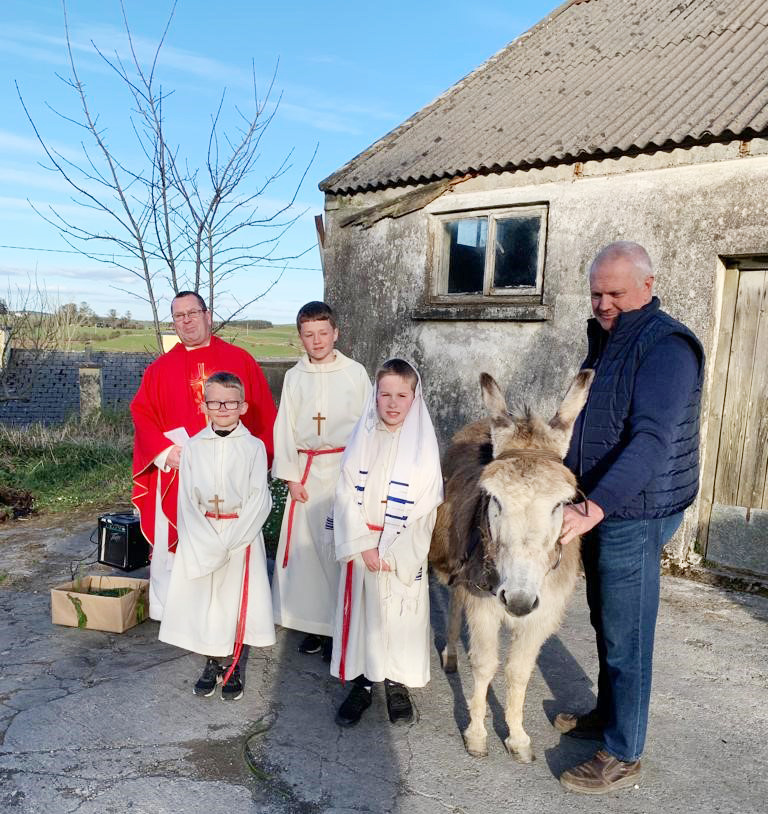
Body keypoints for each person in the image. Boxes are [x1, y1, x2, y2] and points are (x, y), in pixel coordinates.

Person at [557, 241, 704, 794]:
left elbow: (650, 442)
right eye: (596, 292)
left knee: (628, 633)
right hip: (602, 505)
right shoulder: (608, 339)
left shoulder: (665, 346)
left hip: (634, 510)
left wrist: (595, 505)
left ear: (647, 285)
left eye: (615, 292)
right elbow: (588, 423)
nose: (603, 302)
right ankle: (608, 715)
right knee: (604, 619)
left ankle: (623, 751)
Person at [131, 291, 276, 621]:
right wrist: (165, 452)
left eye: (193, 313)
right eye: (179, 316)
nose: (187, 321)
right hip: (177, 470)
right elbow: (141, 412)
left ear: (208, 316)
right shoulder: (158, 369)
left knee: (230, 542)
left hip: (230, 474)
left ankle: (231, 612)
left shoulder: (241, 360)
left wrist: (257, 461)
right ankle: (176, 613)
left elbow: (264, 415)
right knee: (175, 543)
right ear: (174, 323)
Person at [329, 359, 443, 727]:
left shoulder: (423, 448)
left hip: (399, 549)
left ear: (414, 397)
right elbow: (346, 492)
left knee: (400, 617)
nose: (393, 403)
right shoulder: (363, 438)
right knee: (366, 617)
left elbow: (427, 506)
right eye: (385, 394)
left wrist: (395, 552)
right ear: (375, 396)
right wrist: (363, 543)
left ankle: (396, 682)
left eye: (401, 395)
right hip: (365, 544)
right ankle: (363, 681)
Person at [158, 372, 275, 700]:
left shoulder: (253, 448)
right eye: (215, 402)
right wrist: (206, 540)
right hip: (203, 533)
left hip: (241, 534)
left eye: (230, 402)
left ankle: (235, 662)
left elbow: (259, 498)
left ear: (242, 406)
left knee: (236, 601)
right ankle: (212, 660)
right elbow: (186, 501)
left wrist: (233, 540)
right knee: (209, 602)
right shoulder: (194, 447)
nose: (222, 408)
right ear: (204, 405)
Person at [271, 302, 371, 658]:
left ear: (336, 333)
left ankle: (339, 626)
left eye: (323, 333)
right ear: (300, 337)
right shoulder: (294, 377)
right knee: (309, 553)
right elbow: (283, 426)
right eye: (309, 335)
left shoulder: (356, 373)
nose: (317, 341)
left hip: (345, 470)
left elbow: (368, 425)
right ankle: (314, 626)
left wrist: (364, 475)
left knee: (339, 550)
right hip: (308, 473)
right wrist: (291, 478)